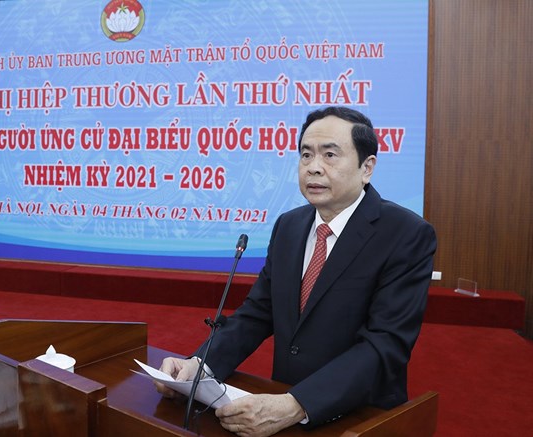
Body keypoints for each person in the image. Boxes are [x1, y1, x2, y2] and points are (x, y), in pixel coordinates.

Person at [156, 106, 437, 436]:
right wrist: (199, 366)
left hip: (360, 416)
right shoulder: (289, 226)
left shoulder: (406, 234)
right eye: (306, 155)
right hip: (282, 404)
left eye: (330, 155)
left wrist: (297, 404)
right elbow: (258, 314)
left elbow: (384, 345)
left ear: (367, 167)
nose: (314, 167)